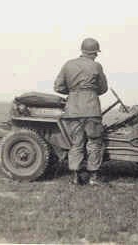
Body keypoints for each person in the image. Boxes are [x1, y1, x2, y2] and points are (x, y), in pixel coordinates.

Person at [54, 38, 108, 186]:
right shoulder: (96, 66)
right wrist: (90, 91)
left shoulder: (68, 65)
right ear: (94, 52)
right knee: (94, 143)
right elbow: (103, 88)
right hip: (91, 109)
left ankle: (75, 177)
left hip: (73, 109)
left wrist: (73, 92)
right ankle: (93, 178)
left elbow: (58, 87)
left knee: (76, 143)